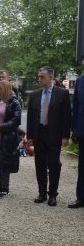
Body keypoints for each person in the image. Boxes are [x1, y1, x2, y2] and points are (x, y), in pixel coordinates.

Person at [27, 66, 71, 206]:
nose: (39, 79)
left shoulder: (62, 94)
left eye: (42, 77)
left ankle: (53, 194)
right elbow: (31, 117)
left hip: (54, 134)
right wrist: (30, 135)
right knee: (39, 164)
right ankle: (42, 192)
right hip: (39, 132)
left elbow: (66, 116)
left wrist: (65, 136)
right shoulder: (34, 95)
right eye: (39, 76)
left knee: (53, 164)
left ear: (51, 77)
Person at [0, 80, 21, 197]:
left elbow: (16, 120)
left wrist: (0, 127)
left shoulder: (14, 102)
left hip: (6, 137)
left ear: (6, 89)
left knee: (5, 162)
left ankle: (5, 187)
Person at [68, 74, 84, 208]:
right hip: (82, 130)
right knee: (82, 167)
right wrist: (74, 129)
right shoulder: (80, 81)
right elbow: (76, 105)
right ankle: (81, 198)